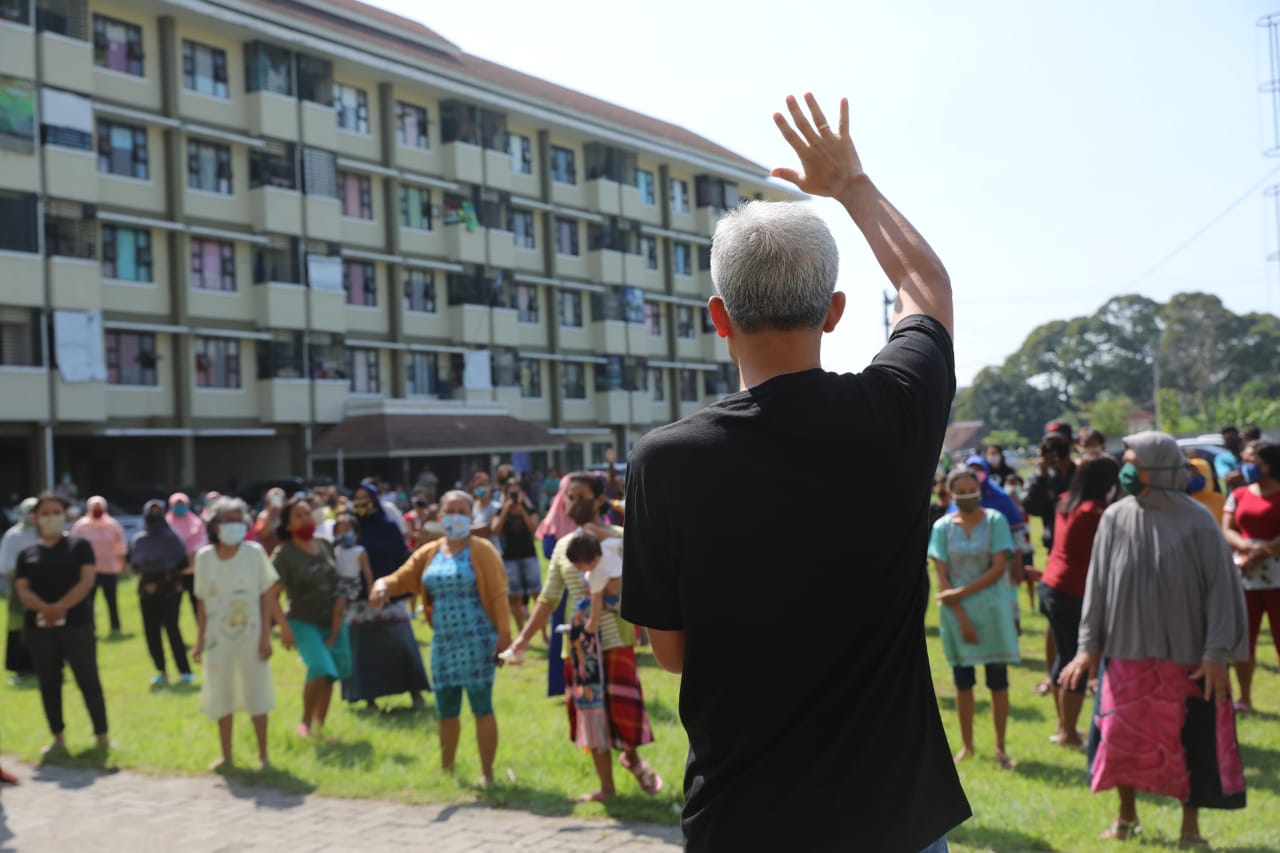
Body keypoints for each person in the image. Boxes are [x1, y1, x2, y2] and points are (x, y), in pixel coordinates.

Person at [620, 93, 965, 851]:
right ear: (835, 310)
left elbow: (672, 654)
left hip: (744, 818)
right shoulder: (897, 411)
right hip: (894, 818)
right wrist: (852, 185)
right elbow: (928, 292)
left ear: (719, 315)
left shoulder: (663, 460)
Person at [1059, 431, 1248, 847]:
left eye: (1132, 461)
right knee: (1122, 741)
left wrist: (1217, 653)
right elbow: (1099, 584)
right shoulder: (1115, 516)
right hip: (1126, 654)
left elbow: (1222, 589)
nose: (1125, 469)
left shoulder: (1198, 520)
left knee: (1190, 744)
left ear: (1159, 468)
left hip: (1191, 657)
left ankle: (1190, 829)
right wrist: (1088, 647)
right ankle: (1126, 818)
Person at [509, 472, 661, 803]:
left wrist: (603, 535)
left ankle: (632, 758)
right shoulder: (563, 548)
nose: (575, 503)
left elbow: (645, 577)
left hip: (616, 638)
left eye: (581, 496)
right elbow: (548, 599)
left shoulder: (620, 537)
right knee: (592, 714)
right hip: (580, 647)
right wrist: (521, 641)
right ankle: (606, 788)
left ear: (599, 498)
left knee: (623, 709)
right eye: (569, 497)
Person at [370, 490, 511, 786]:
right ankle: (447, 769)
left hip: (477, 641)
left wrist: (504, 637)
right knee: (446, 708)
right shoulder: (430, 552)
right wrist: (382, 585)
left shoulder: (482, 550)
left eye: (462, 510)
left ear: (471, 517)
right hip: (443, 644)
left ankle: (487, 773)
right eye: (450, 510)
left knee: (481, 706)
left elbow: (499, 595)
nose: (456, 515)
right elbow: (403, 577)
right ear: (439, 516)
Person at [930, 469, 1019, 769]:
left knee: (998, 681)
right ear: (951, 493)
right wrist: (959, 613)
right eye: (962, 490)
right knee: (963, 682)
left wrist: (960, 593)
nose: (968, 494)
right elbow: (940, 574)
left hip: (993, 613)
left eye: (973, 488)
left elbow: (997, 568)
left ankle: (1000, 746)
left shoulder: (995, 521)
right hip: (956, 616)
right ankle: (967, 745)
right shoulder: (942, 528)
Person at [13, 493, 109, 753]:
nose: (51, 517)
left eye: (56, 511)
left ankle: (102, 736)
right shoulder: (27, 554)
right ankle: (58, 738)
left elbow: (86, 581)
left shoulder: (80, 546)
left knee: (88, 679)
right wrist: (46, 609)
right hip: (40, 628)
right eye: (45, 513)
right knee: (49, 682)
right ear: (35, 518)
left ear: (64, 515)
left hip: (77, 624)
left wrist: (61, 607)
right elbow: (23, 590)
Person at [1038, 453, 1118, 749]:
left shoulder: (1065, 502)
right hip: (1072, 593)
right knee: (1078, 662)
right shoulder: (1095, 513)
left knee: (1065, 657)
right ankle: (1069, 733)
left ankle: (1063, 727)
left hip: (1052, 587)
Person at [192, 497, 278, 769]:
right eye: (228, 521)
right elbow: (202, 601)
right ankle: (226, 755)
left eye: (238, 520)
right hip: (218, 639)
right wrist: (200, 640)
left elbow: (266, 595)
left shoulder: (254, 554)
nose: (234, 526)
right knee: (222, 692)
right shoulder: (204, 558)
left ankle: (264, 755)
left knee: (256, 691)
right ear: (215, 526)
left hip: (250, 636)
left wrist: (266, 635)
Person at [341, 482, 430, 711]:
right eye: (357, 498)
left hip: (389, 595)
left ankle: (416, 693)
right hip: (359, 600)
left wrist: (397, 587)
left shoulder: (388, 526)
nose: (361, 503)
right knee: (365, 650)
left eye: (365, 498)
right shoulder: (349, 530)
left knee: (401, 644)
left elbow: (401, 560)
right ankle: (369, 699)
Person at [272, 497, 351, 738]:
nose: (306, 518)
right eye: (298, 515)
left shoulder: (325, 544)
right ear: (287, 525)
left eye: (307, 513)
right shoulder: (284, 554)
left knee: (330, 674)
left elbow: (337, 579)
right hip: (302, 621)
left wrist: (341, 600)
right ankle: (304, 724)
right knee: (319, 666)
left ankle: (318, 728)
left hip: (333, 621)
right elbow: (271, 595)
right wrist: (284, 627)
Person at [1221, 440, 1280, 715]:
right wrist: (1247, 549)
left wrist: (1265, 551)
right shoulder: (1239, 494)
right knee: (1245, 641)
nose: (1246, 466)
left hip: (1276, 577)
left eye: (1251, 460)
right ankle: (1244, 698)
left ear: (1268, 464)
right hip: (1245, 576)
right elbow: (1227, 528)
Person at [1022, 422, 1078, 696]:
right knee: (1054, 618)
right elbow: (1032, 507)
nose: (1055, 451)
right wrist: (1043, 475)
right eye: (1050, 446)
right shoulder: (1043, 477)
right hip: (1054, 552)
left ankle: (1084, 673)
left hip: (1082, 552)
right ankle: (1051, 674)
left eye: (1060, 445)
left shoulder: (1081, 474)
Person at [129, 500, 193, 686]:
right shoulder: (139, 540)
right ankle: (161, 671)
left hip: (170, 591)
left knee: (173, 630)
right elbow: (134, 565)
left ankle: (184, 671)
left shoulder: (173, 539)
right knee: (151, 632)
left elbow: (182, 562)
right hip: (147, 593)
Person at [534, 474, 577, 696]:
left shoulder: (593, 519)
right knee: (560, 635)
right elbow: (547, 550)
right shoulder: (554, 515)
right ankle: (561, 686)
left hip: (589, 588)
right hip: (562, 586)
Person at [71, 496, 127, 635]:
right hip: (89, 570)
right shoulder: (81, 526)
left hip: (109, 568)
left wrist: (122, 563)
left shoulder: (112, 524)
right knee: (89, 601)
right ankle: (90, 628)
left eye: (99, 508)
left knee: (111, 599)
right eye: (94, 508)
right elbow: (73, 547)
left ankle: (115, 626)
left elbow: (120, 545)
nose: (97, 510)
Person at [493, 477, 541, 634]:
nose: (514, 496)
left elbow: (536, 530)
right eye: (511, 492)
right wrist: (506, 510)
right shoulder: (500, 511)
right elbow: (495, 530)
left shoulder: (530, 510)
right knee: (515, 596)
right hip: (509, 558)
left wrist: (523, 513)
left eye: (517, 492)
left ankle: (543, 632)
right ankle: (522, 631)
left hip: (529, 555)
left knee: (537, 593)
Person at [2, 497, 38, 682]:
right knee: (18, 628)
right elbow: (6, 565)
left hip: (45, 587)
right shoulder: (13, 536)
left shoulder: (45, 534)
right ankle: (21, 668)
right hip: (18, 590)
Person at [331, 512, 373, 645]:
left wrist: (370, 587)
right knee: (342, 613)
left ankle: (333, 638)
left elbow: (367, 571)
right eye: (340, 530)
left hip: (350, 583)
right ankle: (343, 636)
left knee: (339, 608)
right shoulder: (336, 549)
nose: (343, 534)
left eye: (347, 530)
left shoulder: (359, 551)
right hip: (337, 582)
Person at [167, 492, 208, 621]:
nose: (180, 507)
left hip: (194, 569)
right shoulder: (166, 523)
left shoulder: (196, 522)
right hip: (174, 570)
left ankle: (203, 635)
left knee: (197, 603)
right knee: (173, 606)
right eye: (177, 504)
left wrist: (191, 555)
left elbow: (203, 541)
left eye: (182, 504)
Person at [1187, 457, 1226, 524]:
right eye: (1191, 475)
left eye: (1197, 474)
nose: (1193, 477)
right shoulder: (1183, 500)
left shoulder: (1219, 500)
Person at [253, 487, 287, 557]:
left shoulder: (289, 515)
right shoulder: (263, 516)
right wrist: (270, 514)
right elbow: (263, 534)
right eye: (274, 498)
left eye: (279, 498)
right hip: (268, 555)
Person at [1217, 426, 1246, 490]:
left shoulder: (1249, 454)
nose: (1229, 441)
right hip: (1235, 495)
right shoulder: (1222, 458)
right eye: (1226, 439)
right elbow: (1228, 478)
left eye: (1232, 438)